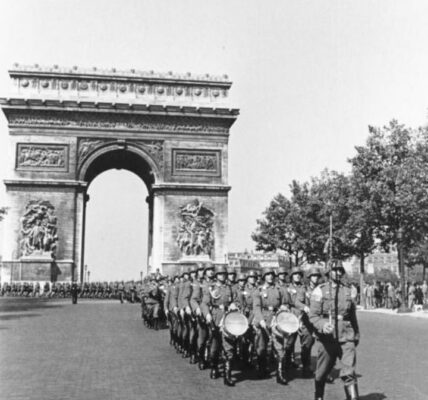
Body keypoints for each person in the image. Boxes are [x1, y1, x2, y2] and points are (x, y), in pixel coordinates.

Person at [310, 260, 360, 400]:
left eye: (340, 270)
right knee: (322, 373)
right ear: (328, 272)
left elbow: (352, 315)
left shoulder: (348, 290)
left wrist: (356, 333)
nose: (338, 273)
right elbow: (313, 315)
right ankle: (319, 396)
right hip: (327, 337)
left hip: (346, 336)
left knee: (349, 371)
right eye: (335, 270)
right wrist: (322, 325)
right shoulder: (320, 290)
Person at [253, 267, 291, 384]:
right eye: (267, 274)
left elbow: (286, 303)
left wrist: (284, 307)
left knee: (279, 347)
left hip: (276, 319)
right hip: (264, 319)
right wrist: (260, 320)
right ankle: (262, 369)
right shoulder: (259, 290)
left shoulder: (280, 289)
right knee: (261, 347)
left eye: (271, 274)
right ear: (264, 277)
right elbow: (256, 307)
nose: (270, 276)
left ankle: (280, 373)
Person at [201, 265, 237, 386]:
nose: (222, 276)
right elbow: (204, 303)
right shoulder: (211, 288)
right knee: (215, 347)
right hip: (216, 318)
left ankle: (228, 375)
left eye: (224, 274)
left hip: (228, 318)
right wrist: (207, 314)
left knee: (228, 347)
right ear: (216, 276)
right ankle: (214, 367)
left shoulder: (230, 288)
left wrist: (235, 305)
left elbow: (237, 300)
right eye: (220, 274)